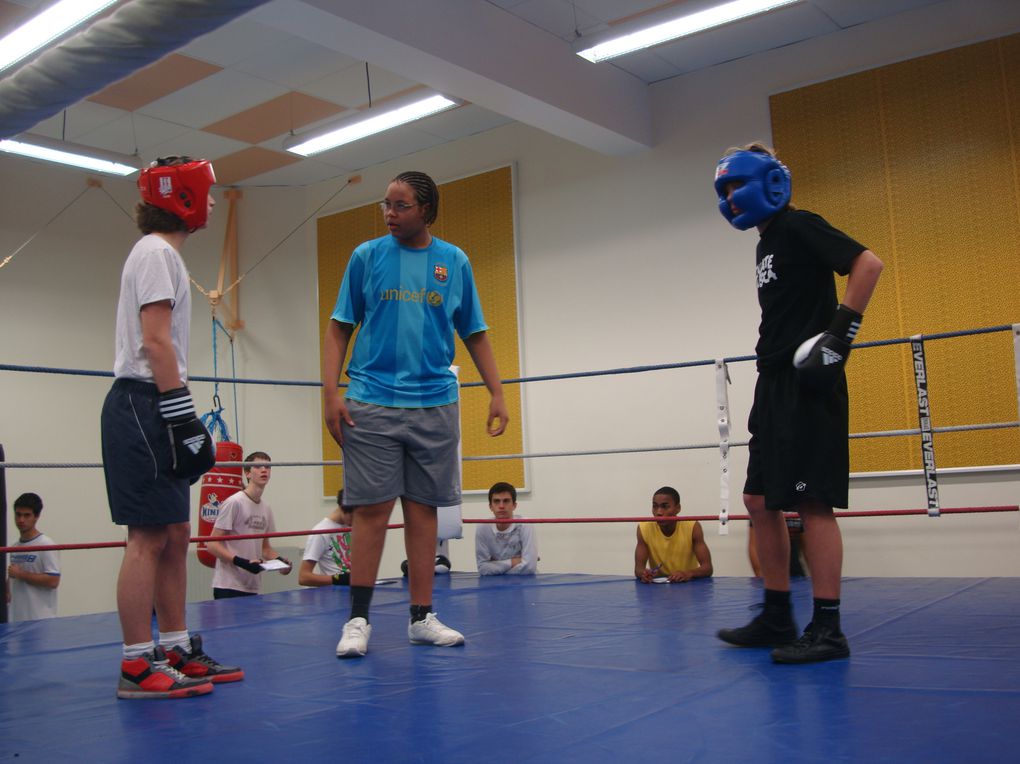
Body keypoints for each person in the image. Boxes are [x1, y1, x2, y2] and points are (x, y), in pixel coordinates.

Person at [322, 170, 509, 658]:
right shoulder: (366, 257)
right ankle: (358, 619)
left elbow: (475, 332)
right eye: (385, 204)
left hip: (435, 403)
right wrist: (330, 394)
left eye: (400, 205)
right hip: (372, 400)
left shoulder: (454, 261)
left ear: (426, 209)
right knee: (372, 511)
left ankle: (421, 616)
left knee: (424, 512)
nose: (389, 213)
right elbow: (340, 327)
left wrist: (497, 392)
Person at [713, 142, 883, 663]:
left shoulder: (800, 224)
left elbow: (867, 264)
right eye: (725, 190)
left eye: (738, 185)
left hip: (809, 379)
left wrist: (839, 338)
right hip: (772, 381)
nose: (732, 198)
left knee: (811, 504)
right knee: (759, 501)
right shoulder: (765, 244)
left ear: (768, 182)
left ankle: (828, 629)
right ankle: (777, 614)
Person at [101, 156, 241, 699]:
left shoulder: (163, 256)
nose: (210, 201)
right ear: (182, 197)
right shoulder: (157, 253)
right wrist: (181, 412)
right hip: (145, 401)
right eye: (206, 193)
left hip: (155, 400)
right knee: (147, 536)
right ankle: (137, 662)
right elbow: (155, 340)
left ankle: (176, 645)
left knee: (178, 532)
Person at [206, 451, 292, 598]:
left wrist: (281, 562)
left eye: (268, 466)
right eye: (258, 466)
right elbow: (212, 544)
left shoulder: (266, 508)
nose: (264, 470)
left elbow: (265, 548)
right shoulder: (234, 503)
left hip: (253, 586)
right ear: (247, 473)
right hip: (228, 585)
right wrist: (242, 562)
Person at [634, 487, 712, 583]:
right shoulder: (644, 528)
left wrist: (687, 573)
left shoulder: (692, 526)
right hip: (659, 588)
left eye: (665, 506)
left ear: (678, 508)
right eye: (655, 506)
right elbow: (638, 569)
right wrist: (645, 573)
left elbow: (707, 568)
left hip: (688, 587)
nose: (659, 512)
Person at [5, 493, 60, 621]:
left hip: (40, 620)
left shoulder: (46, 545)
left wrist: (20, 574)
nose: (21, 520)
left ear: (36, 516)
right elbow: (13, 576)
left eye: (26, 515)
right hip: (16, 620)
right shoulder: (14, 547)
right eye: (18, 514)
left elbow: (53, 581)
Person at [475, 482, 538, 575]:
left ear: (514, 505)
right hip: (494, 585)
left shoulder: (525, 524)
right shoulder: (482, 527)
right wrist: (513, 562)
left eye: (506, 501)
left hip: (524, 583)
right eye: (496, 501)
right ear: (490, 507)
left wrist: (495, 566)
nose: (501, 506)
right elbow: (483, 569)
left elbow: (529, 567)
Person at [299, 489, 353, 587]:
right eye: (353, 516)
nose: (357, 521)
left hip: (355, 591)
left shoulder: (353, 526)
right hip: (334, 596)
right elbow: (304, 577)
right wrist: (339, 579)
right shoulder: (321, 532)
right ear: (342, 508)